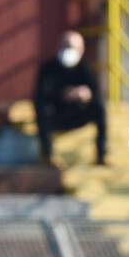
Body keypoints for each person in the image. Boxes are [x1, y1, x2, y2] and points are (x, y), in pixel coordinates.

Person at [34, 30, 106, 165]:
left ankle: (102, 154)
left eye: (73, 47)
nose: (69, 50)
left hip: (79, 114)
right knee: (42, 109)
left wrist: (86, 95)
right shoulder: (48, 68)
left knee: (100, 107)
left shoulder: (85, 68)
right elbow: (41, 95)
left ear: (81, 50)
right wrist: (63, 95)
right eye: (66, 46)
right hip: (56, 114)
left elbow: (96, 93)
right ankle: (47, 155)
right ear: (59, 47)